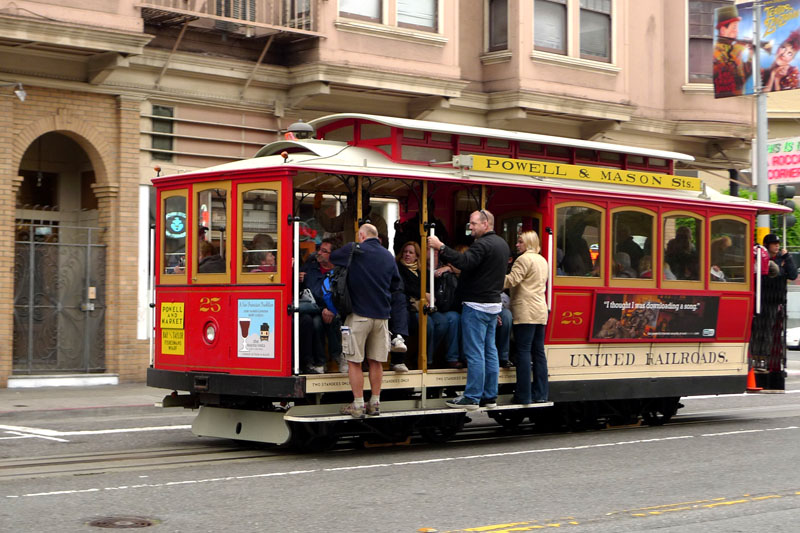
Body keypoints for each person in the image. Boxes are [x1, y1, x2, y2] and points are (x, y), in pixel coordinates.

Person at [428, 209, 510, 410]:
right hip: (492, 304)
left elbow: (464, 262)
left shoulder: (483, 244)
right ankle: (490, 395)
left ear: (486, 224)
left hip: (476, 305)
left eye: (473, 223)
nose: (470, 227)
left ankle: (472, 396)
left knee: (475, 353)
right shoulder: (502, 244)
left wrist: (441, 247)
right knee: (490, 351)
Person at [330, 224, 402, 418]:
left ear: (361, 236)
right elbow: (396, 284)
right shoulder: (387, 255)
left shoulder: (354, 249)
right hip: (382, 317)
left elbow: (333, 257)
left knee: (354, 361)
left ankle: (358, 404)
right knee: (376, 361)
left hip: (359, 316)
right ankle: (375, 402)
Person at [397, 242, 460, 369]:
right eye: (405, 252)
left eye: (411, 252)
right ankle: (427, 361)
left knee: (443, 322)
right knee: (428, 324)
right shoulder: (399, 268)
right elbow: (403, 287)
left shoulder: (421, 271)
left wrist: (448, 268)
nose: (407, 255)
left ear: (417, 256)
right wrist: (423, 294)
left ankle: (424, 354)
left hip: (424, 307)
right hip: (409, 308)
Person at [504, 231, 549, 405]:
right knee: (538, 353)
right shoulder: (542, 259)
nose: (517, 245)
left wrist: (489, 278)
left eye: (520, 241)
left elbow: (511, 281)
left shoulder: (523, 259)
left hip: (525, 311)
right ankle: (541, 393)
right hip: (540, 310)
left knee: (523, 352)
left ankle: (524, 394)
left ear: (528, 243)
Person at [298, 239, 343, 374]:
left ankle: (333, 358)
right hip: (315, 308)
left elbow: (341, 295)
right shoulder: (310, 267)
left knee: (320, 321)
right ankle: (320, 362)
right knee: (313, 320)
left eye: (324, 251)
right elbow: (300, 291)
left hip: (331, 309)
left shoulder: (339, 272)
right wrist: (298, 280)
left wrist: (331, 309)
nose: (319, 253)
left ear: (333, 255)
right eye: (319, 249)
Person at [314, 189, 388, 247]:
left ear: (365, 202)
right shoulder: (347, 216)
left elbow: (383, 244)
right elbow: (330, 226)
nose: (349, 205)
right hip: (348, 257)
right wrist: (317, 209)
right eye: (349, 202)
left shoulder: (378, 221)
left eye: (353, 202)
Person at [713, 5, 753, 97]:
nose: (737, 31)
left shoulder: (732, 48)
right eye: (734, 27)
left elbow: (742, 77)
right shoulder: (716, 51)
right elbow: (727, 73)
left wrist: (751, 53)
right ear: (723, 30)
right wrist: (738, 49)